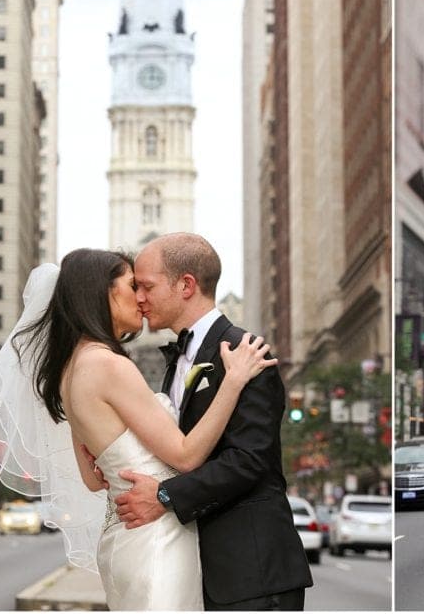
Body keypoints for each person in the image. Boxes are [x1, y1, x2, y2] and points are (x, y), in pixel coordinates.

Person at [0, 250, 276, 610]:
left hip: (123, 539)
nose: (140, 297)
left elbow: (92, 479)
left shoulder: (70, 370)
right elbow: (186, 454)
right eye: (132, 285)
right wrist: (234, 381)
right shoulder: (108, 365)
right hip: (156, 538)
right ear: (100, 293)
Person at [113, 233, 313, 610]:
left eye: (147, 286)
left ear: (186, 285)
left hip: (251, 574)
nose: (139, 297)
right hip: (198, 568)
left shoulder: (247, 353)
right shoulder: (177, 360)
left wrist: (165, 496)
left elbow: (250, 460)